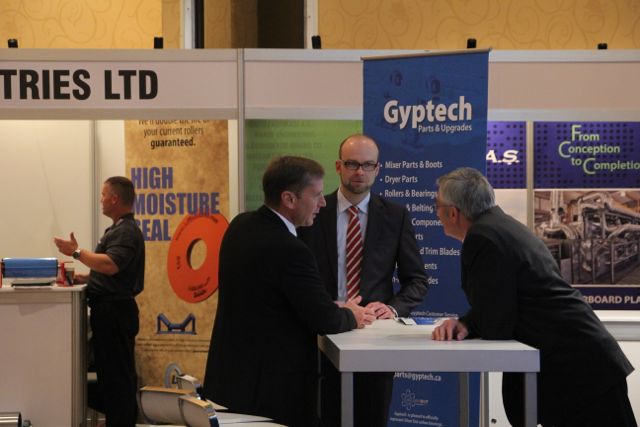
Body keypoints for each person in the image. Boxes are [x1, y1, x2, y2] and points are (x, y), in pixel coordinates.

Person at [431, 167, 636, 427]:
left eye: (437, 205)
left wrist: (470, 325)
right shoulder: (499, 227)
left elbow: (497, 322)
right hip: (583, 364)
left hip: (579, 372)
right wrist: (466, 323)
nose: (436, 213)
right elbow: (503, 299)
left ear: (453, 212)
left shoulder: (482, 238)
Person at [202, 155, 375, 427]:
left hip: (230, 384)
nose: (323, 203)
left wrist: (330, 306)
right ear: (289, 199)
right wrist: (353, 315)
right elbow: (325, 320)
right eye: (316, 195)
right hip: (271, 396)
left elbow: (272, 299)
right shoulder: (290, 249)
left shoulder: (240, 225)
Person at [299, 134, 429, 427]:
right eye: (352, 164)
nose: (360, 171)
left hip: (375, 339)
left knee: (373, 417)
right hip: (322, 336)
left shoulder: (395, 215)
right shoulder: (314, 211)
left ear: (377, 169)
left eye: (368, 165)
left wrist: (393, 308)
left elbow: (417, 280)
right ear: (338, 166)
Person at [54, 176, 145, 427]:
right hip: (110, 312)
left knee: (117, 380)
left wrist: (76, 252)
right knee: (111, 379)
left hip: (115, 313)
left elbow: (111, 265)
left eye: (104, 195)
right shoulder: (118, 229)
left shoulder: (126, 231)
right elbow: (110, 271)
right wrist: (86, 278)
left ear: (114, 199)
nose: (101, 200)